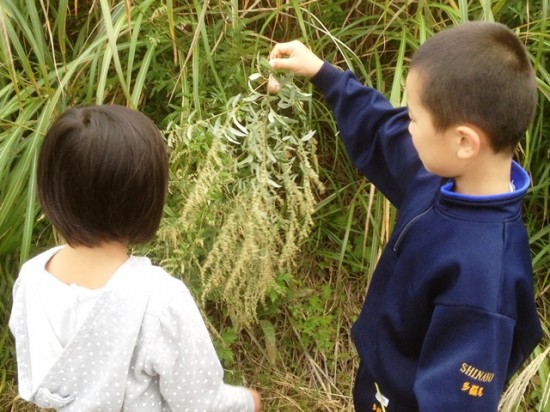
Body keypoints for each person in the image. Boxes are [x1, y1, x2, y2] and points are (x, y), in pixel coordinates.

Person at [269, 21, 542, 411]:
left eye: (414, 117)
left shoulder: (484, 283)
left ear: (464, 140)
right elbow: (384, 129)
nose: (408, 128)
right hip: (379, 386)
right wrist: (322, 73)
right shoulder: (442, 176)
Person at [9, 104, 261, 412]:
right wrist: (246, 402)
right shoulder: (159, 300)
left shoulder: (32, 278)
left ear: (51, 189)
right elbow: (201, 404)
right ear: (147, 197)